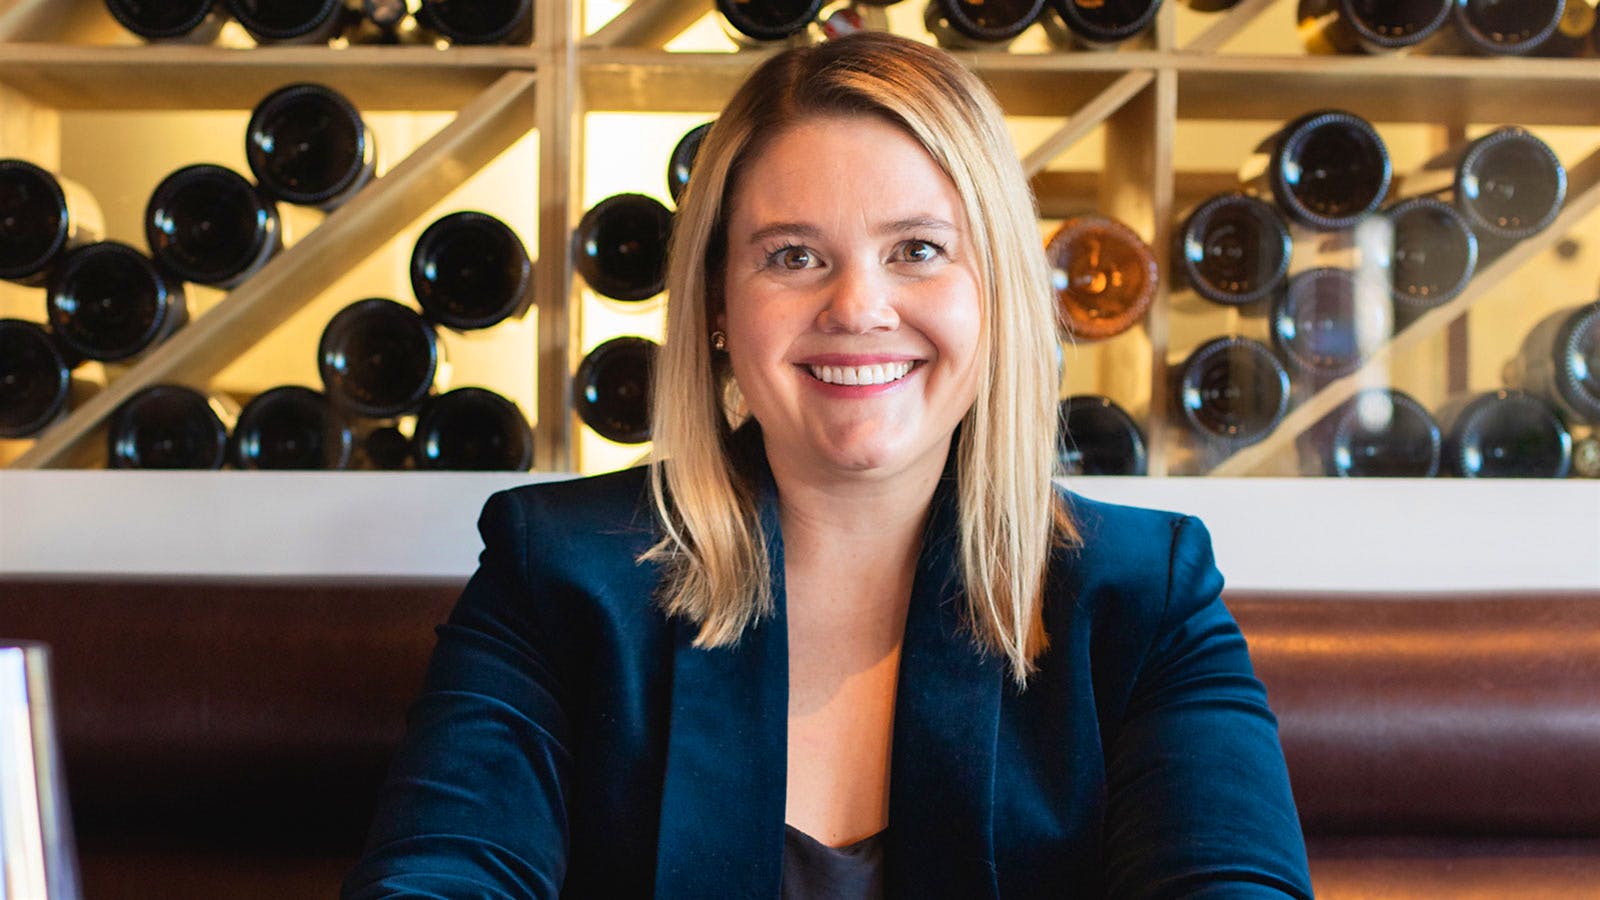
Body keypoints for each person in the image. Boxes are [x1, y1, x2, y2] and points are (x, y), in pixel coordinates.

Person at [343, 32, 1312, 899]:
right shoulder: (556, 573)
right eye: (793, 256)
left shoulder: (1145, 597)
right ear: (718, 308)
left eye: (919, 250)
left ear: (1000, 297)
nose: (857, 306)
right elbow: (439, 872)